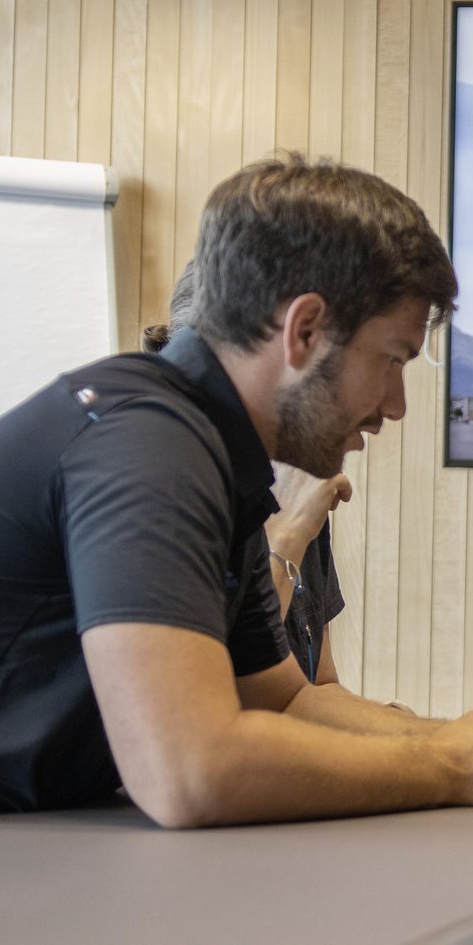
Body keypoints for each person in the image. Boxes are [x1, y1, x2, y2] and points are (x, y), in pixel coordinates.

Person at [0, 154, 473, 853]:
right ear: (305, 330)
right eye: (391, 360)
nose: (396, 404)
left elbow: (283, 703)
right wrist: (452, 764)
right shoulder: (143, 446)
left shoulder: (208, 453)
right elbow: (188, 771)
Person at [146, 263, 351, 686]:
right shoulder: (160, 479)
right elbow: (201, 693)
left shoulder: (290, 478)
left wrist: (420, 737)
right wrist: (290, 533)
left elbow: (319, 684)